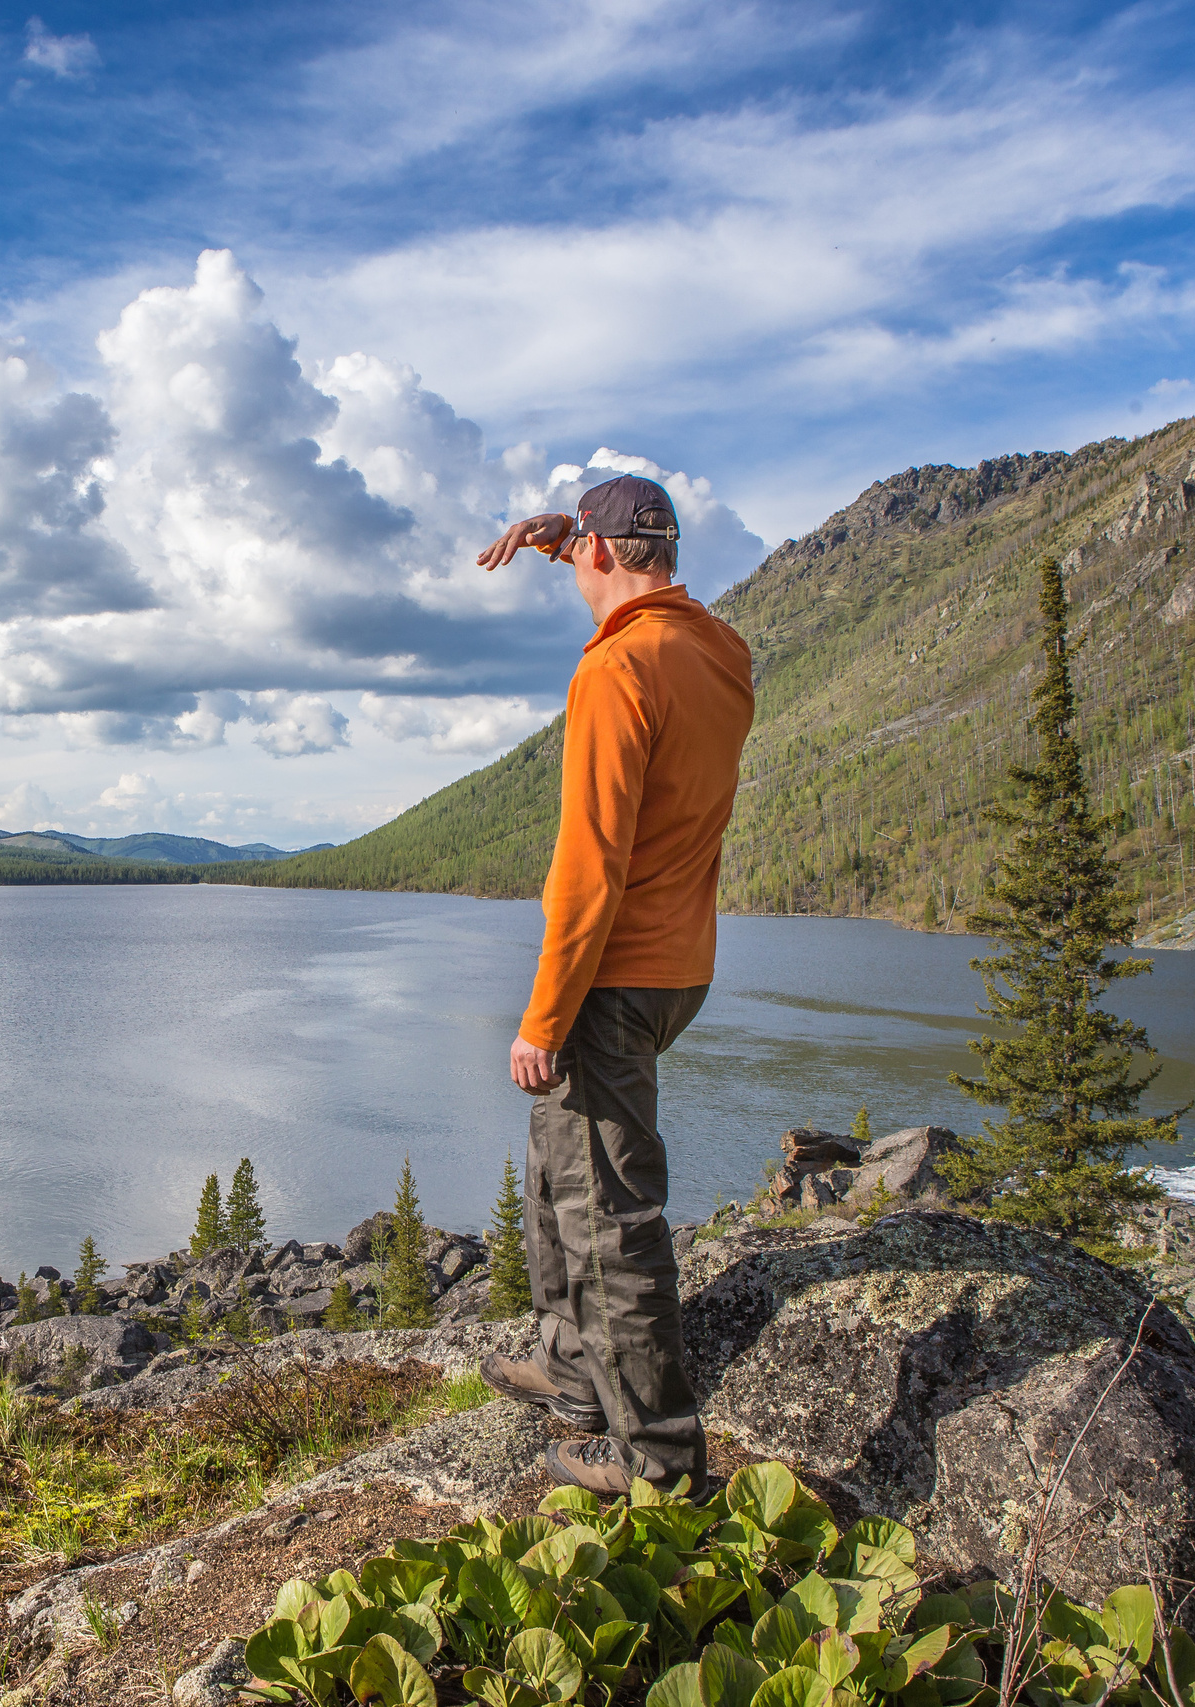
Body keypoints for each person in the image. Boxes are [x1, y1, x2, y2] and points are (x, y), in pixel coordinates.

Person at [471, 474, 755, 1496]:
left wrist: (544, 1017)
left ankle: (659, 1466)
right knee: (560, 1158)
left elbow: (590, 866)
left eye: (577, 551)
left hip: (612, 977)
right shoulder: (719, 652)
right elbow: (635, 586)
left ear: (595, 553)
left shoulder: (614, 672)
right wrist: (570, 542)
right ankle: (568, 1362)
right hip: (679, 970)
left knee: (613, 1224)